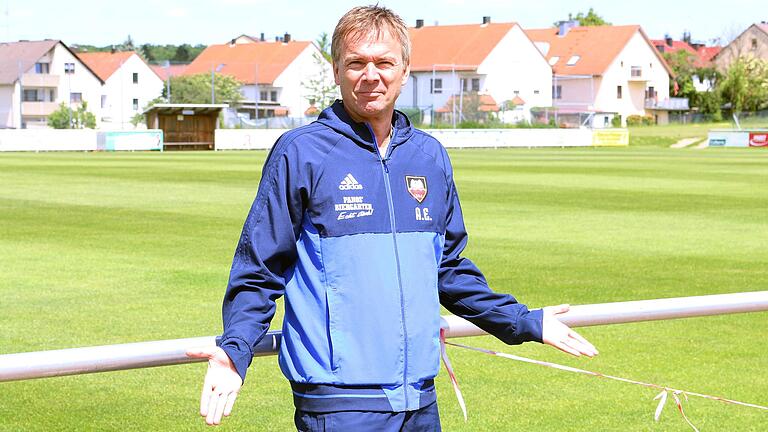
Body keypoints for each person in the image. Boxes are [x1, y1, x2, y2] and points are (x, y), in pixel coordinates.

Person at [187, 5, 597, 431]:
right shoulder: (301, 152)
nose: (371, 75)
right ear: (336, 70)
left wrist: (523, 320)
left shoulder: (429, 155)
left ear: (405, 70)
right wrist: (235, 351)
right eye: (356, 63)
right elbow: (259, 268)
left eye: (384, 62)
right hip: (339, 404)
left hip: (420, 399)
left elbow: (448, 271)